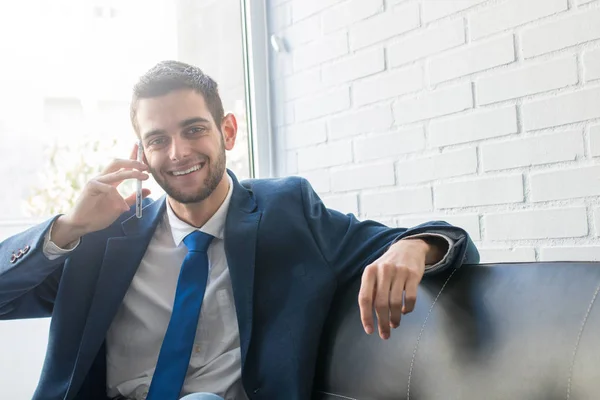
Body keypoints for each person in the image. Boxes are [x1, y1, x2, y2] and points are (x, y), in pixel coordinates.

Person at [0, 61, 479, 400]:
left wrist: (413, 246)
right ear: (141, 154)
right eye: (158, 140)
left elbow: (449, 241)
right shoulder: (104, 235)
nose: (177, 153)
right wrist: (70, 226)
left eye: (193, 130)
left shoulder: (288, 211)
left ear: (227, 131)